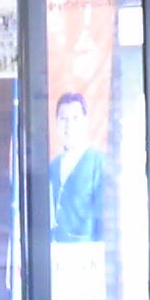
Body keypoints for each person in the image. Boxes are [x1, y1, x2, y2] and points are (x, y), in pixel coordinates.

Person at [48, 92, 105, 245]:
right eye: (63, 119)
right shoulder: (52, 166)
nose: (69, 126)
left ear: (85, 122)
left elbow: (105, 220)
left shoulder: (99, 162)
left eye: (75, 118)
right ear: (56, 122)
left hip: (87, 253)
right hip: (55, 252)